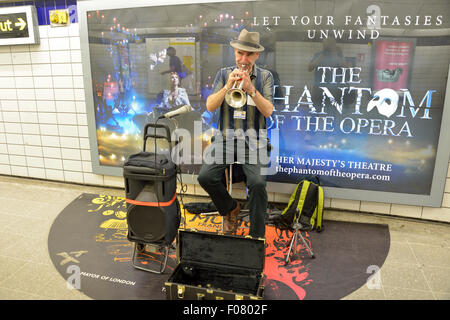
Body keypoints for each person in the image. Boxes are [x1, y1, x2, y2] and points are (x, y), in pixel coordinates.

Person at [197, 29, 274, 238]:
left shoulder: (266, 77)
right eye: (240, 53)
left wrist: (251, 89)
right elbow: (210, 106)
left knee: (258, 184)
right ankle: (230, 208)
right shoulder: (224, 74)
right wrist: (228, 87)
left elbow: (268, 111)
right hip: (226, 139)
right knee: (205, 177)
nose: (243, 59)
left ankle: (256, 236)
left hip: (255, 141)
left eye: (249, 54)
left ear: (257, 55)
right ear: (235, 53)